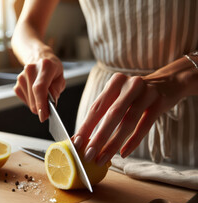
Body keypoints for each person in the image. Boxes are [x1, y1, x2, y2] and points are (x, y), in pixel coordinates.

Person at [11, 0, 198, 170]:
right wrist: (38, 55)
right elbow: (27, 26)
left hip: (189, 109)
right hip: (101, 114)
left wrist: (178, 76)